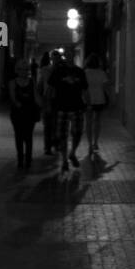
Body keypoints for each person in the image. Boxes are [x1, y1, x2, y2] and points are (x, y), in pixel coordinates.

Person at [47, 45, 89, 173]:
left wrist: (88, 103)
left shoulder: (80, 72)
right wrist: (48, 104)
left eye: (72, 54)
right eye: (68, 54)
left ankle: (72, 153)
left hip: (77, 106)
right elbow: (50, 88)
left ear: (74, 55)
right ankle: (65, 160)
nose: (70, 56)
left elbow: (85, 90)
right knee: (62, 135)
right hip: (62, 106)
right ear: (66, 56)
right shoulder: (58, 71)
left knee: (78, 132)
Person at [8, 59, 42, 171]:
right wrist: (18, 104)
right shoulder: (12, 82)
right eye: (21, 69)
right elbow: (13, 98)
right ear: (17, 70)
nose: (24, 71)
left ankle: (28, 160)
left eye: (26, 69)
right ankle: (20, 160)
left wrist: (42, 105)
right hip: (17, 113)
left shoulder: (32, 82)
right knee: (18, 135)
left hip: (30, 112)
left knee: (28, 136)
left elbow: (36, 96)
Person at [83, 53, 110, 155]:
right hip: (99, 99)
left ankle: (89, 144)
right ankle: (95, 142)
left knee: (88, 122)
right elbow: (105, 86)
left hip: (88, 100)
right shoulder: (101, 73)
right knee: (97, 121)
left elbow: (83, 87)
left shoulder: (85, 73)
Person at [37, 51, 56, 153]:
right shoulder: (45, 70)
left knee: (50, 124)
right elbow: (40, 84)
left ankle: (49, 145)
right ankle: (49, 145)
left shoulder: (44, 70)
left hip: (52, 99)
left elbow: (40, 84)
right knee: (50, 124)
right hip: (49, 98)